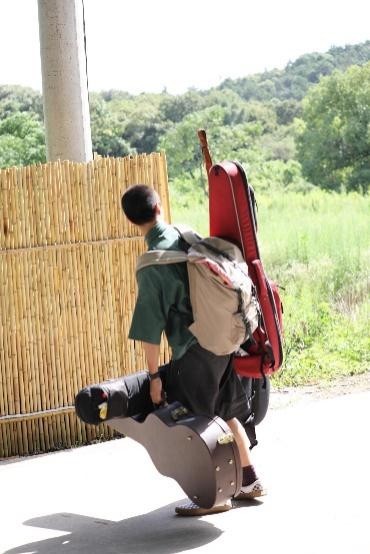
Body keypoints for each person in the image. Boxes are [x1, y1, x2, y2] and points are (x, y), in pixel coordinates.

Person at [121, 184, 266, 516]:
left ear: (131, 220)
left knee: (197, 423)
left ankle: (216, 496)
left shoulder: (151, 264)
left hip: (194, 348)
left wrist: (155, 376)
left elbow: (150, 329)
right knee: (226, 413)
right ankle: (249, 480)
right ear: (158, 206)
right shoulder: (188, 237)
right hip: (226, 338)